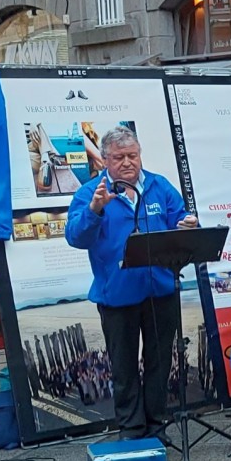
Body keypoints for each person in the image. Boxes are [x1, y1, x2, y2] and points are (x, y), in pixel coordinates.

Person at [64, 126, 198, 438]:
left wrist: (189, 224)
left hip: (160, 292)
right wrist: (95, 210)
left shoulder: (158, 186)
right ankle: (131, 426)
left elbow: (183, 221)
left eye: (133, 156)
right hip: (117, 296)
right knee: (123, 367)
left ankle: (156, 423)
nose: (127, 162)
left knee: (159, 362)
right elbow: (76, 237)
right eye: (119, 157)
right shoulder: (90, 193)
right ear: (105, 160)